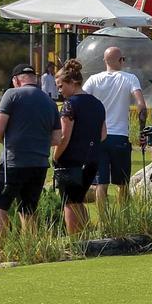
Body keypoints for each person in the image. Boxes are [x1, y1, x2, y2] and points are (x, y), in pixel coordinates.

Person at [0, 63, 60, 255]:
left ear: (16, 80)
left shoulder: (11, 94)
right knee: (28, 210)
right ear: (35, 79)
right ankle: (30, 251)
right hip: (39, 163)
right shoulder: (49, 102)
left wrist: (4, 141)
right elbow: (56, 138)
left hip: (13, 162)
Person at [83, 45, 149, 211]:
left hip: (99, 136)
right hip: (120, 136)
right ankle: (122, 218)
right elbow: (141, 106)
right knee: (122, 182)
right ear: (120, 60)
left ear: (104, 61)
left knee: (101, 183)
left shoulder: (93, 79)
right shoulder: (129, 78)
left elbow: (81, 100)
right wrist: (142, 130)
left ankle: (104, 220)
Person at [52, 60, 105, 235]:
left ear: (72, 82)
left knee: (69, 202)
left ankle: (75, 241)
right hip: (92, 160)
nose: (59, 91)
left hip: (71, 161)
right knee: (78, 200)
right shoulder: (97, 103)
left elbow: (63, 137)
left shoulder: (69, 105)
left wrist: (55, 156)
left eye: (61, 86)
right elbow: (103, 134)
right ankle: (86, 238)